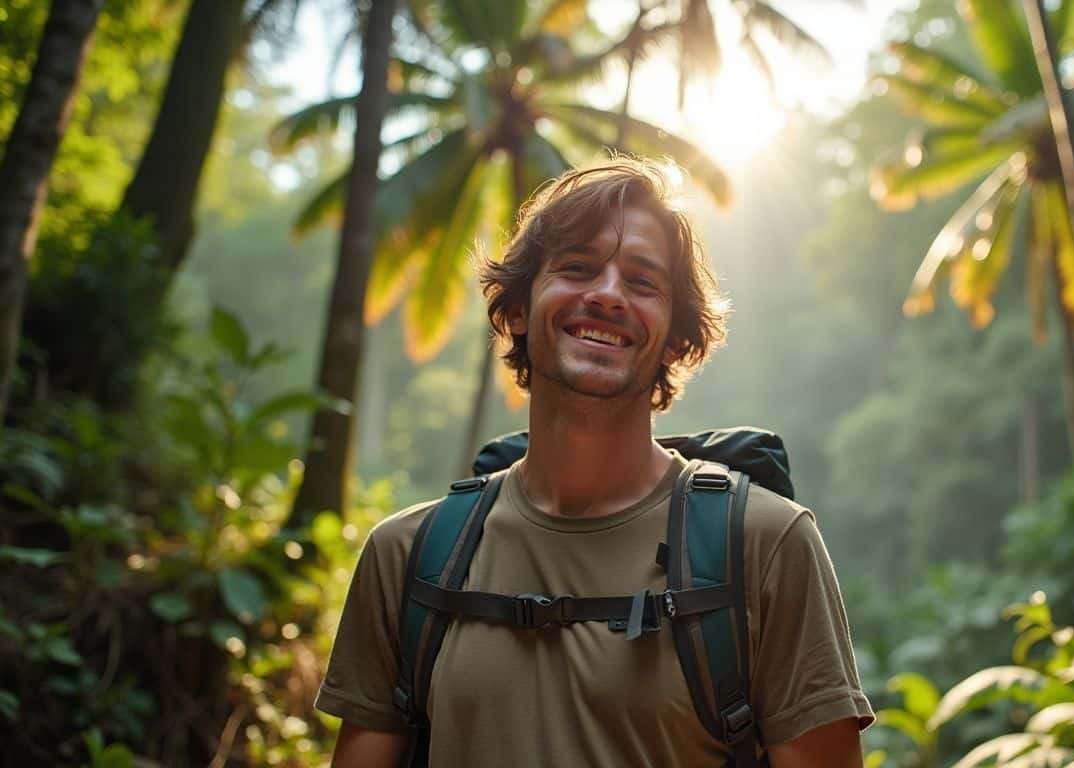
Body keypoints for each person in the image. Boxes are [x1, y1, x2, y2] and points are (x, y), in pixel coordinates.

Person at [316, 159, 874, 767]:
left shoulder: (766, 546)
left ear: (677, 337)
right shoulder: (407, 557)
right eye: (578, 268)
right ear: (519, 310)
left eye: (642, 282)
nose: (607, 295)